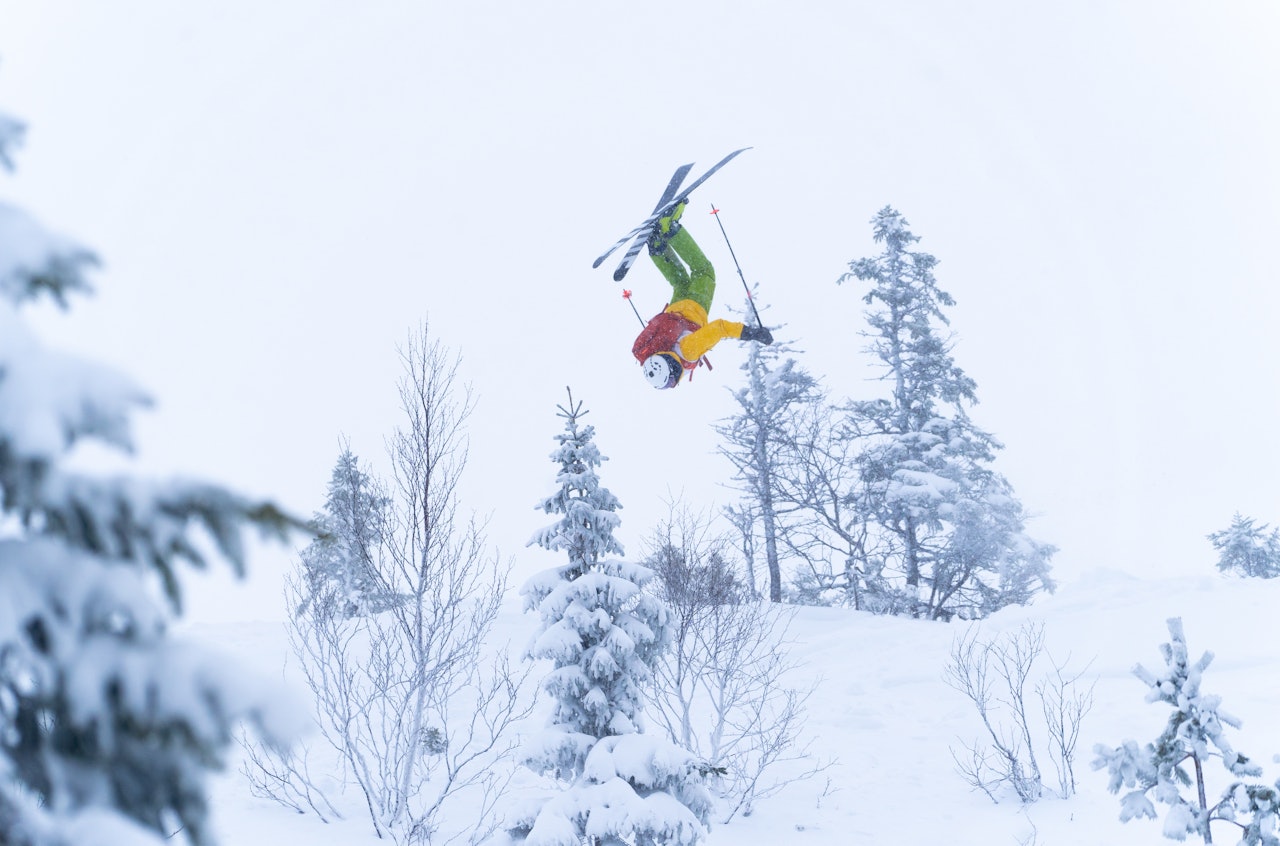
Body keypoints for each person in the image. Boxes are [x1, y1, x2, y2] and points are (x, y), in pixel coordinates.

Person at [632, 201, 773, 390]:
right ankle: (658, 247)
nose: (674, 382)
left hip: (694, 307)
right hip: (675, 310)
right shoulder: (658, 350)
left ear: (672, 370)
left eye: (672, 381)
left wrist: (751, 333)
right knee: (680, 282)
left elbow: (719, 328)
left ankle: (670, 228)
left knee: (704, 270)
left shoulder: (687, 352)